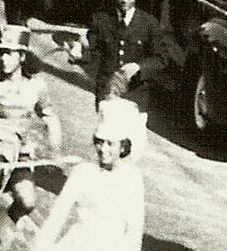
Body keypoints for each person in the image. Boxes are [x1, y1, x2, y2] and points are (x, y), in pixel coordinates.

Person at [0, 25, 62, 251]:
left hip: (21, 153)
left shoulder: (37, 87)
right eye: (1, 53)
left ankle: (8, 216)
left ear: (22, 56)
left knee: (27, 202)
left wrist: (54, 152)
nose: (4, 58)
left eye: (10, 53)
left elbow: (51, 118)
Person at [29, 98, 145, 251]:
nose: (103, 149)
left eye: (110, 144)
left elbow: (134, 232)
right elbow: (58, 215)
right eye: (100, 141)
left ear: (123, 147)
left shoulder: (132, 179)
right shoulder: (83, 172)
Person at [84, 0, 175, 111]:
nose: (124, 0)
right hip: (107, 92)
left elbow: (161, 59)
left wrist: (139, 67)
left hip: (136, 95)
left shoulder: (149, 23)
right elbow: (93, 52)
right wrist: (78, 50)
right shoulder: (101, 19)